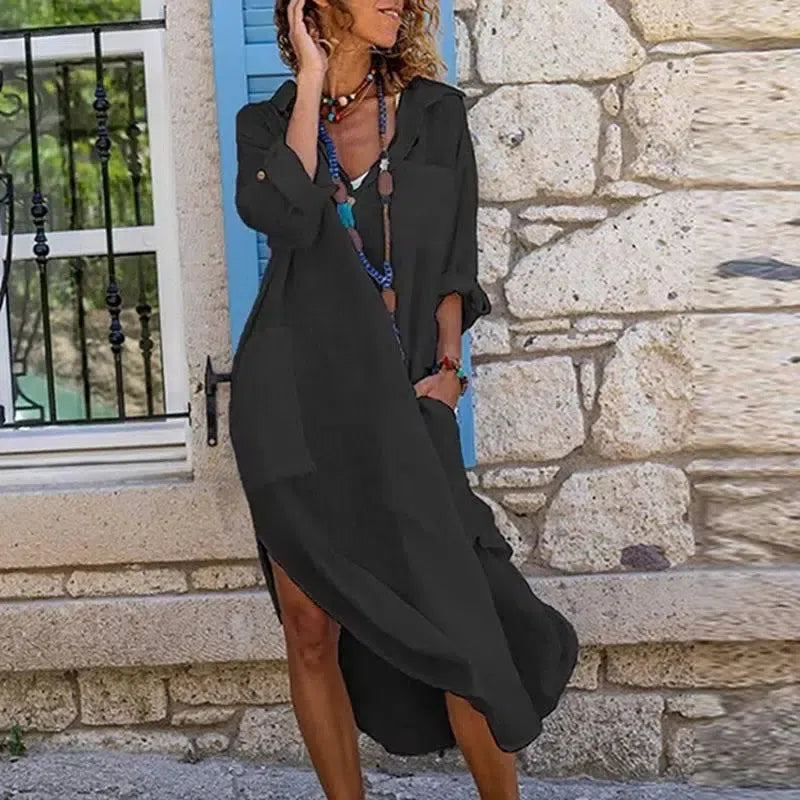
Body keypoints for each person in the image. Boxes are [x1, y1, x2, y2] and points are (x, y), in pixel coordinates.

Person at [227, 0, 579, 797]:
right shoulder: (267, 125)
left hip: (405, 399)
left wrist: (448, 372)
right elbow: (284, 215)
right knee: (310, 629)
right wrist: (311, 77)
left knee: (463, 624)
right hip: (294, 400)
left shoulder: (434, 114)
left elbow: (454, 261)